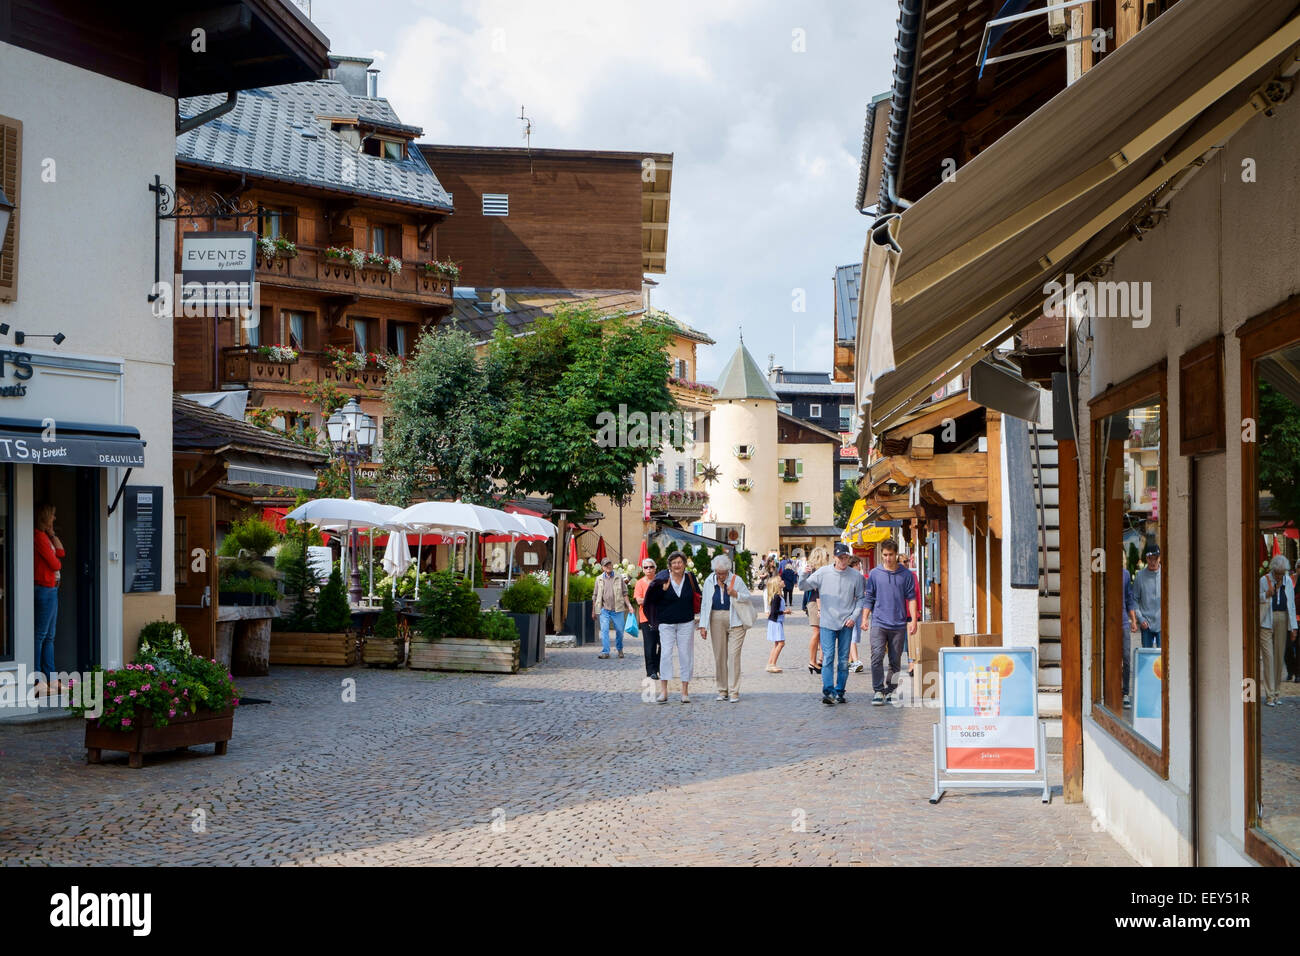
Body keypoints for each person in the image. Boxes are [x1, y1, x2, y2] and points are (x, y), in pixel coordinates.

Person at [799, 542, 867, 705]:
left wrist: (854, 616)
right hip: (827, 622)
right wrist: (803, 573)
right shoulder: (823, 573)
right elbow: (803, 586)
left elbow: (861, 599)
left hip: (846, 623)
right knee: (828, 657)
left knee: (843, 660)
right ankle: (828, 691)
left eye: (846, 557)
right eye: (840, 557)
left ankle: (840, 690)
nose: (843, 560)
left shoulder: (856, 576)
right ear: (835, 557)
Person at [862, 538, 918, 705]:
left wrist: (913, 620)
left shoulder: (906, 575)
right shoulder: (874, 574)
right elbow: (869, 598)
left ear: (896, 554)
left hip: (899, 623)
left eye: (890, 555)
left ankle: (891, 689)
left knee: (895, 660)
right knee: (877, 656)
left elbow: (912, 598)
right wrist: (865, 618)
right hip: (879, 622)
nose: (887, 558)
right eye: (885, 555)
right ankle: (878, 690)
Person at [645, 552, 700, 703]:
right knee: (665, 655)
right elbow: (652, 599)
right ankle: (664, 692)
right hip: (666, 623)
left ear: (684, 564)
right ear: (669, 565)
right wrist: (662, 590)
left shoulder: (690, 578)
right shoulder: (662, 578)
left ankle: (684, 692)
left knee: (685, 656)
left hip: (686, 622)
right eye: (674, 562)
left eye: (680, 562)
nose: (677, 565)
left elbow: (698, 595)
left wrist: (700, 618)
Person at [698, 552, 753, 702]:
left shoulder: (736, 580)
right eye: (718, 573)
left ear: (728, 571)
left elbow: (747, 596)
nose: (720, 576)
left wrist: (736, 594)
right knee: (720, 656)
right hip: (716, 618)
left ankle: (734, 691)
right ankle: (722, 690)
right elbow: (705, 604)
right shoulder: (709, 581)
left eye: (723, 573)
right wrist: (703, 625)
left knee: (734, 656)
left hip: (736, 619)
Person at [33, 501, 64, 696]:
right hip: (44, 589)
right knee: (41, 635)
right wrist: (48, 536)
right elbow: (56, 563)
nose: (54, 518)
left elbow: (61, 552)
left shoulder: (46, 536)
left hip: (51, 589)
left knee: (49, 636)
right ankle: (37, 680)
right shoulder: (38, 537)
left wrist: (52, 534)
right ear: (45, 516)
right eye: (52, 515)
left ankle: (51, 679)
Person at [1259, 554, 1297, 707]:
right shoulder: (1264, 580)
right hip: (1266, 620)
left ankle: (1276, 694)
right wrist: (1265, 595)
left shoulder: (1288, 581)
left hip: (1282, 618)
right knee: (1268, 657)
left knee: (1278, 655)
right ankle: (1269, 695)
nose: (1280, 576)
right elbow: (1254, 597)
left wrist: (1294, 627)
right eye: (1278, 573)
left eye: (1282, 573)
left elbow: (1292, 604)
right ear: (1273, 570)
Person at [591, 556, 632, 660]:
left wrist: (629, 606)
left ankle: (620, 649)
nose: (608, 566)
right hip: (604, 610)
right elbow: (595, 596)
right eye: (606, 565)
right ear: (603, 568)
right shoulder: (599, 579)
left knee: (619, 630)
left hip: (617, 610)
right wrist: (593, 611)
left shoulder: (619, 577)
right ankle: (605, 652)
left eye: (609, 564)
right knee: (604, 630)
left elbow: (625, 593)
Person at [803, 546, 829, 673]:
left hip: (816, 603)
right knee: (817, 632)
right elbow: (817, 591)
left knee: (820, 633)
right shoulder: (816, 571)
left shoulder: (814, 571)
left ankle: (818, 660)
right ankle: (812, 661)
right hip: (815, 603)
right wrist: (820, 609)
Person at [635, 558, 661, 680]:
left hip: (661, 617)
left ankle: (658, 667)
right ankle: (651, 671)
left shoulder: (660, 581)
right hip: (646, 618)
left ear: (655, 568)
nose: (649, 569)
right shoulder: (640, 583)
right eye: (646, 567)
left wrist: (648, 600)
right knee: (650, 645)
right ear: (643, 569)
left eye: (651, 567)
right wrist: (652, 599)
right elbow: (638, 600)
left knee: (662, 644)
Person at [1133, 543, 1162, 649]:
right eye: (1150, 558)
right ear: (1146, 558)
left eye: (1156, 558)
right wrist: (1140, 618)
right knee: (1146, 657)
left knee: (1163, 658)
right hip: (1146, 624)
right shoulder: (1140, 576)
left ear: (1160, 558)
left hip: (1162, 623)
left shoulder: (1166, 574)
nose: (1153, 562)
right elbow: (1134, 599)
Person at [1121, 566, 1139, 707]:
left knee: (1126, 658)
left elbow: (1129, 598)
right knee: (1111, 660)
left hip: (1123, 623)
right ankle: (1113, 691)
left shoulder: (1126, 574)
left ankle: (1125, 693)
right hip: (1109, 623)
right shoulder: (1105, 572)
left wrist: (1133, 620)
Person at [846, 556, 866, 673]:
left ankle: (849, 662)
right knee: (852, 635)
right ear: (854, 564)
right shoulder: (850, 577)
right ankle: (856, 660)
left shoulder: (860, 577)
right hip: (851, 609)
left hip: (857, 608)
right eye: (859, 564)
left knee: (853, 634)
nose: (860, 567)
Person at [765, 577, 786, 672]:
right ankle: (773, 664)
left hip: (776, 622)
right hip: (776, 622)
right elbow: (774, 611)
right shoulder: (776, 597)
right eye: (781, 581)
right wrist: (784, 612)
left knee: (777, 643)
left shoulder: (777, 596)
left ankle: (770, 663)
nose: (783, 581)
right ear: (777, 585)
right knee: (781, 643)